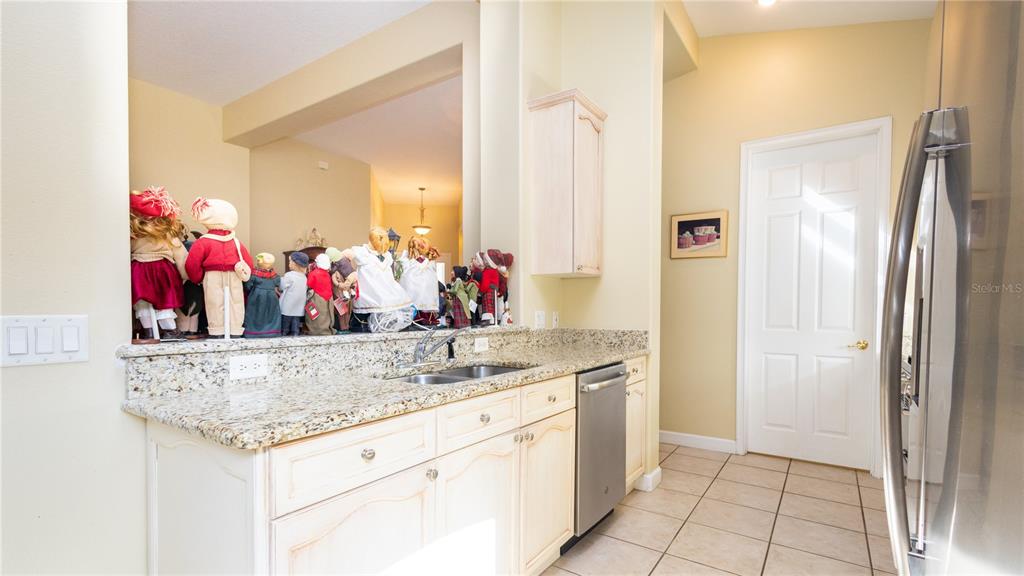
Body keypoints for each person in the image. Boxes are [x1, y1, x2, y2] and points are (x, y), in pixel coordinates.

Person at [279, 252, 308, 336]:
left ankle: (284, 333)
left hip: (288, 305)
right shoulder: (304, 277)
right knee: (296, 321)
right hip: (299, 305)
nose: (289, 263)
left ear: (295, 263)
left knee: (286, 321)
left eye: (290, 261)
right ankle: (295, 333)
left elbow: (281, 286)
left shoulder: (289, 275)